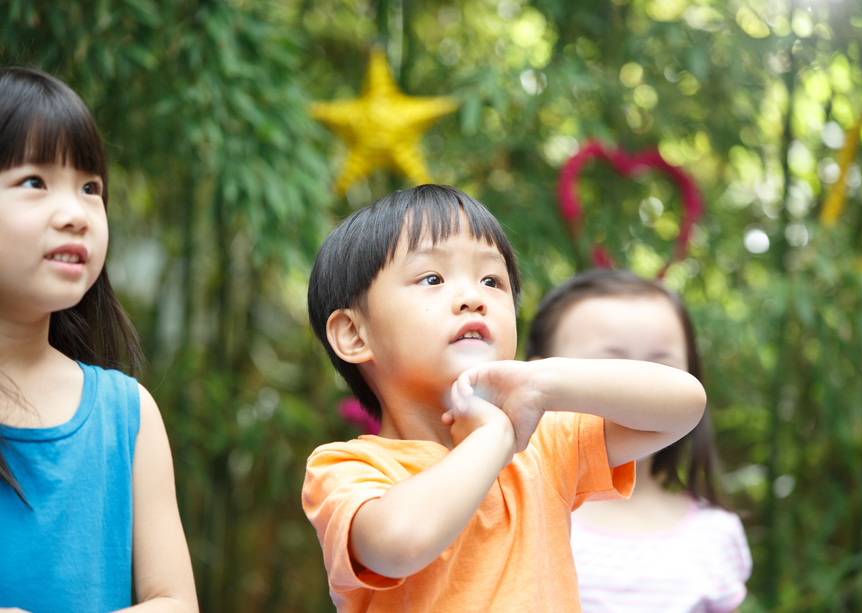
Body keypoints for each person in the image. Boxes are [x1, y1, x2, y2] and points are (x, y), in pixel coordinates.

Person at [302, 184, 707, 612]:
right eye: (432, 278)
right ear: (353, 334)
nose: (474, 298)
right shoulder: (346, 469)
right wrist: (492, 438)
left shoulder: (542, 444)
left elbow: (682, 405)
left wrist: (543, 382)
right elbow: (400, 543)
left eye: (492, 280)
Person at [0, 67, 198, 613]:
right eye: (34, 181)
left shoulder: (127, 413)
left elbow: (174, 601)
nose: (76, 215)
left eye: (91, 188)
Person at [526, 268, 752, 613]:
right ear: (536, 376)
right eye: (612, 366)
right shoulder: (514, 515)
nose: (637, 388)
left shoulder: (716, 535)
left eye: (660, 369)